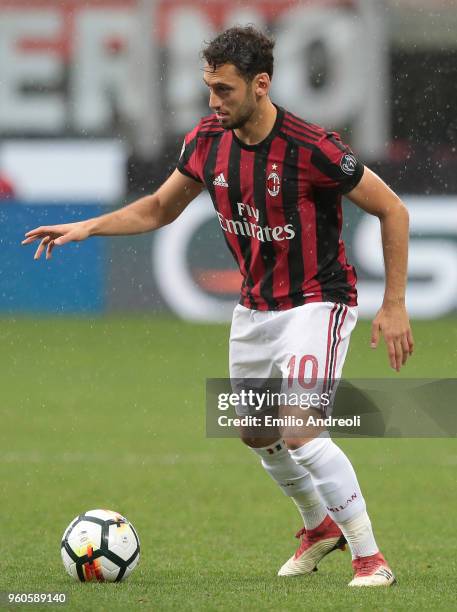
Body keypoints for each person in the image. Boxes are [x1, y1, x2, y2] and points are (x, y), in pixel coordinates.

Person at [22, 26, 413, 587]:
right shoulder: (207, 141)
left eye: (224, 89)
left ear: (260, 85)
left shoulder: (313, 147)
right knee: (255, 432)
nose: (213, 100)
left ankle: (370, 559)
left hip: (316, 303)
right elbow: (159, 208)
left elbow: (392, 209)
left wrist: (394, 303)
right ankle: (318, 526)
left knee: (302, 430)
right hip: (254, 309)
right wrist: (87, 227)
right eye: (209, 87)